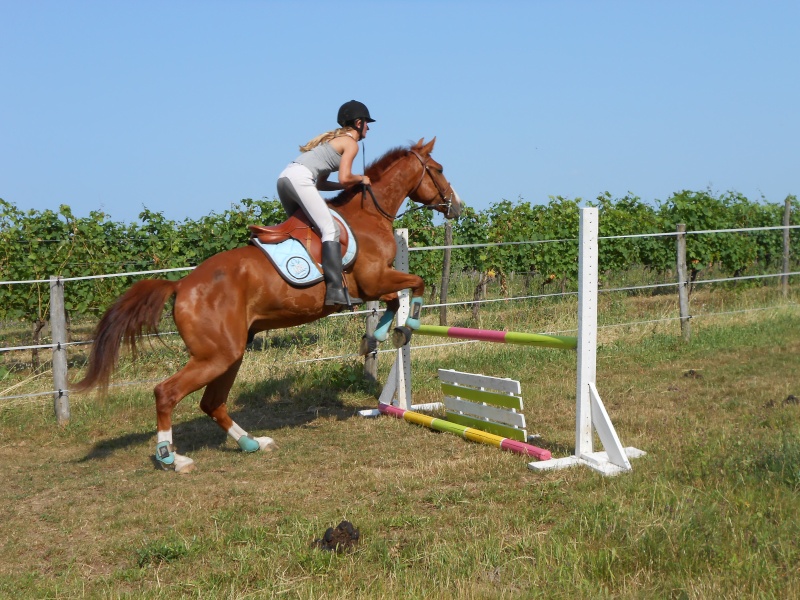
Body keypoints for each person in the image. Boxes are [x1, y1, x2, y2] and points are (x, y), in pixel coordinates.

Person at [276, 100, 376, 307]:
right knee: (331, 230)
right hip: (300, 179)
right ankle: (335, 291)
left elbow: (321, 183)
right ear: (358, 123)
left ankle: (301, 278)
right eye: (367, 122)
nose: (369, 127)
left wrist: (346, 186)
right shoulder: (350, 143)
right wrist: (361, 179)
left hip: (285, 178)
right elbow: (346, 177)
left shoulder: (336, 142)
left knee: (303, 230)